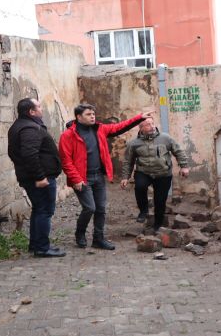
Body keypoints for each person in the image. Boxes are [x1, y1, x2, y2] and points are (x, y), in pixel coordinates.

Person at [59, 103, 153, 250]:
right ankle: (80, 233)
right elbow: (66, 160)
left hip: (98, 176)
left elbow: (119, 127)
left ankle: (98, 238)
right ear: (78, 117)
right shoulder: (68, 135)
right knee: (89, 208)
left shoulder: (99, 129)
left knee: (101, 209)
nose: (92, 117)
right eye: (88, 114)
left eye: (93, 114)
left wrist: (138, 118)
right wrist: (76, 179)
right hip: (82, 178)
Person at [7, 97, 65, 258]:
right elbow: (29, 154)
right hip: (39, 179)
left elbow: (13, 153)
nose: (41, 109)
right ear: (31, 112)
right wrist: (39, 177)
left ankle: (36, 244)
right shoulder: (29, 129)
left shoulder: (21, 126)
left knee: (39, 209)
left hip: (32, 177)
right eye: (38, 106)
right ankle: (42, 248)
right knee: (45, 211)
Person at [120, 118, 189, 233]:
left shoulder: (165, 138)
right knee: (140, 186)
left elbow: (178, 151)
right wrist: (125, 177)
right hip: (144, 172)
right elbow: (128, 161)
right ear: (141, 128)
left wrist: (184, 166)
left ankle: (157, 225)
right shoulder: (134, 143)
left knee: (160, 201)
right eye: (147, 125)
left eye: (152, 123)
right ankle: (143, 210)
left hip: (163, 173)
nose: (152, 126)